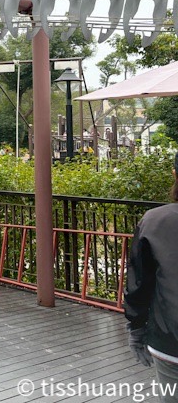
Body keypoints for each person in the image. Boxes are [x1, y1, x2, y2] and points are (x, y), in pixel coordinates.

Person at [124, 153, 178, 402]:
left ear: (175, 175)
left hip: (170, 340)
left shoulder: (155, 221)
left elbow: (140, 282)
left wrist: (136, 328)